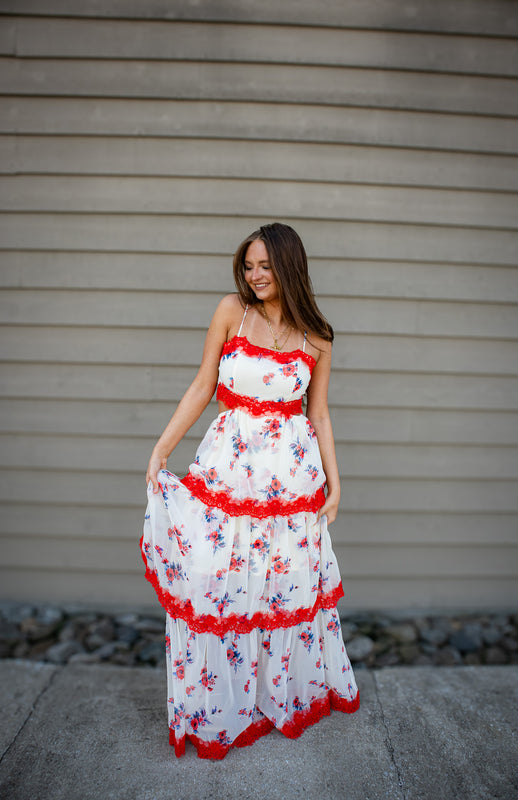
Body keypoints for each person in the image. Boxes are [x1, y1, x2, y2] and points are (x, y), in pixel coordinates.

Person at [141, 222, 359, 760]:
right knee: (216, 580)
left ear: (289, 267)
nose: (255, 275)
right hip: (228, 473)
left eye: (265, 265)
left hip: (291, 482)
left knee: (280, 586)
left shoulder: (317, 336)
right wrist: (163, 447)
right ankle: (219, 705)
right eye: (248, 265)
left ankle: (273, 696)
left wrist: (336, 484)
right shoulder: (231, 312)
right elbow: (203, 385)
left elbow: (319, 414)